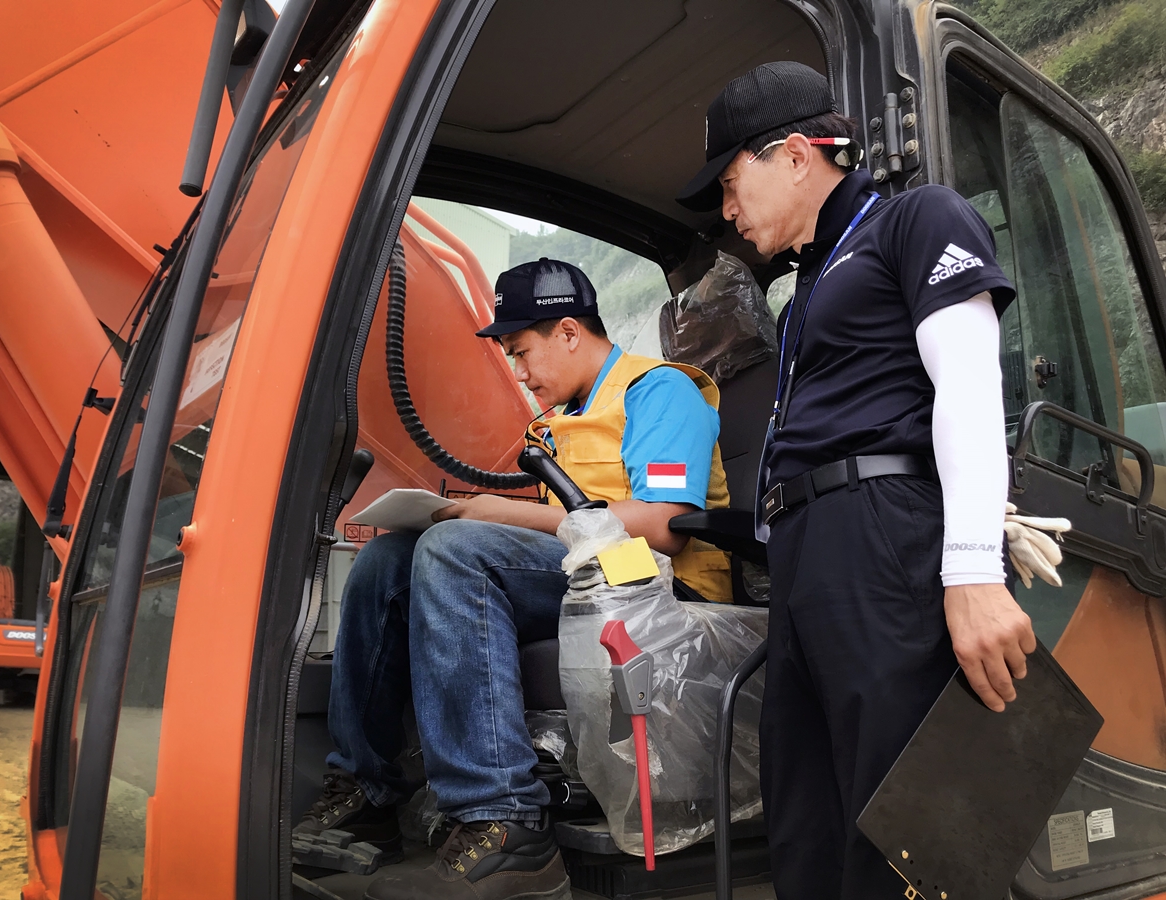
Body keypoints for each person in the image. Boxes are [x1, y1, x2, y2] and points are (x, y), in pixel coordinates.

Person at [677, 61, 1037, 899]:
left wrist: (973, 570)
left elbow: (968, 385)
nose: (728, 211)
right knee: (807, 819)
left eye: (730, 184)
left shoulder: (917, 219)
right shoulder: (806, 289)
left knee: (900, 825)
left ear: (794, 155)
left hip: (880, 530)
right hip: (808, 551)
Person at [297, 257, 733, 900]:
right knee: (387, 560)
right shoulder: (559, 422)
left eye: (522, 352)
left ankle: (504, 823)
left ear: (568, 332)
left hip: (654, 587)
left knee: (453, 549)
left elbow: (667, 524)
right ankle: (365, 790)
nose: (520, 373)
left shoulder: (657, 391)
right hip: (588, 578)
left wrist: (502, 513)